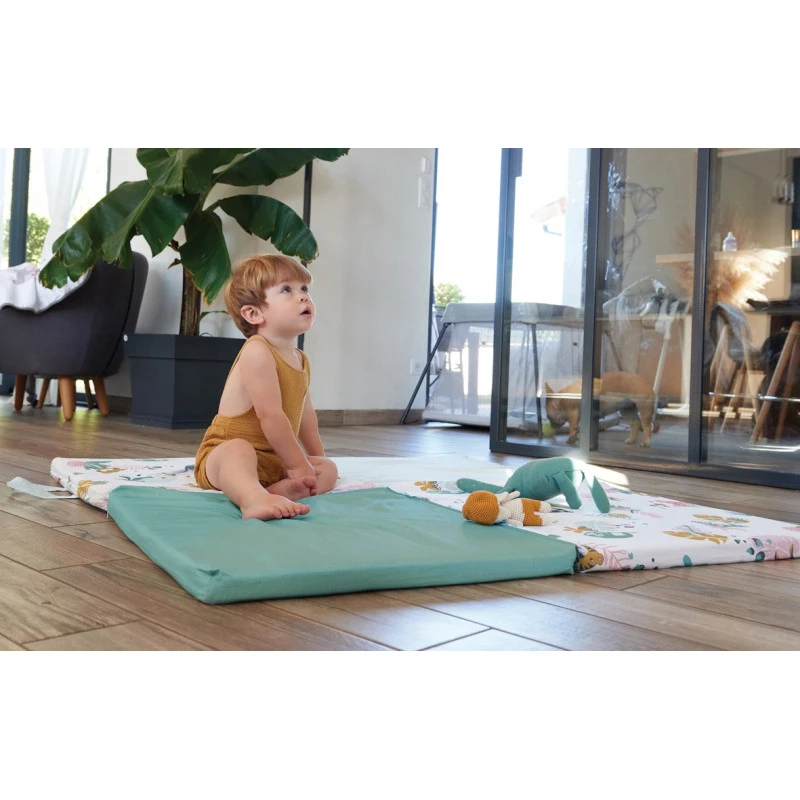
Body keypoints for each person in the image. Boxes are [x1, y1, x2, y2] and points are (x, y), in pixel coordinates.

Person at [194, 254, 338, 520]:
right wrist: (297, 465)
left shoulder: (300, 359)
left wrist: (315, 463)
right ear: (254, 313)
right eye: (287, 290)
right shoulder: (257, 351)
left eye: (304, 289)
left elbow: (307, 419)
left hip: (275, 459)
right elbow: (270, 416)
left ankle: (276, 490)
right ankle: (252, 499)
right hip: (224, 454)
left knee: (330, 470)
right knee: (238, 451)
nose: (303, 297)